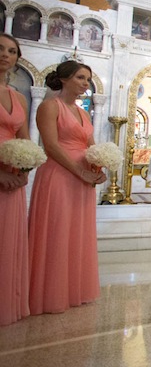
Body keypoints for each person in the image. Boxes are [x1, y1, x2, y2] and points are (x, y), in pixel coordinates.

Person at [29, 60, 106, 315]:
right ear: (64, 79)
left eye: (87, 79)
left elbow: (92, 146)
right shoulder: (50, 107)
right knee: (58, 232)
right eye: (80, 78)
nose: (85, 84)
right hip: (59, 176)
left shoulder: (84, 113)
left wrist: (97, 168)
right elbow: (50, 146)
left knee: (77, 232)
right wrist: (79, 171)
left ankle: (74, 289)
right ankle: (50, 294)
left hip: (82, 179)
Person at [0, 34, 31, 325]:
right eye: (0, 49)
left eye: (11, 51)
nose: (5, 55)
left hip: (12, 178)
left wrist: (22, 170)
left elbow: (25, 139)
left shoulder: (18, 97)